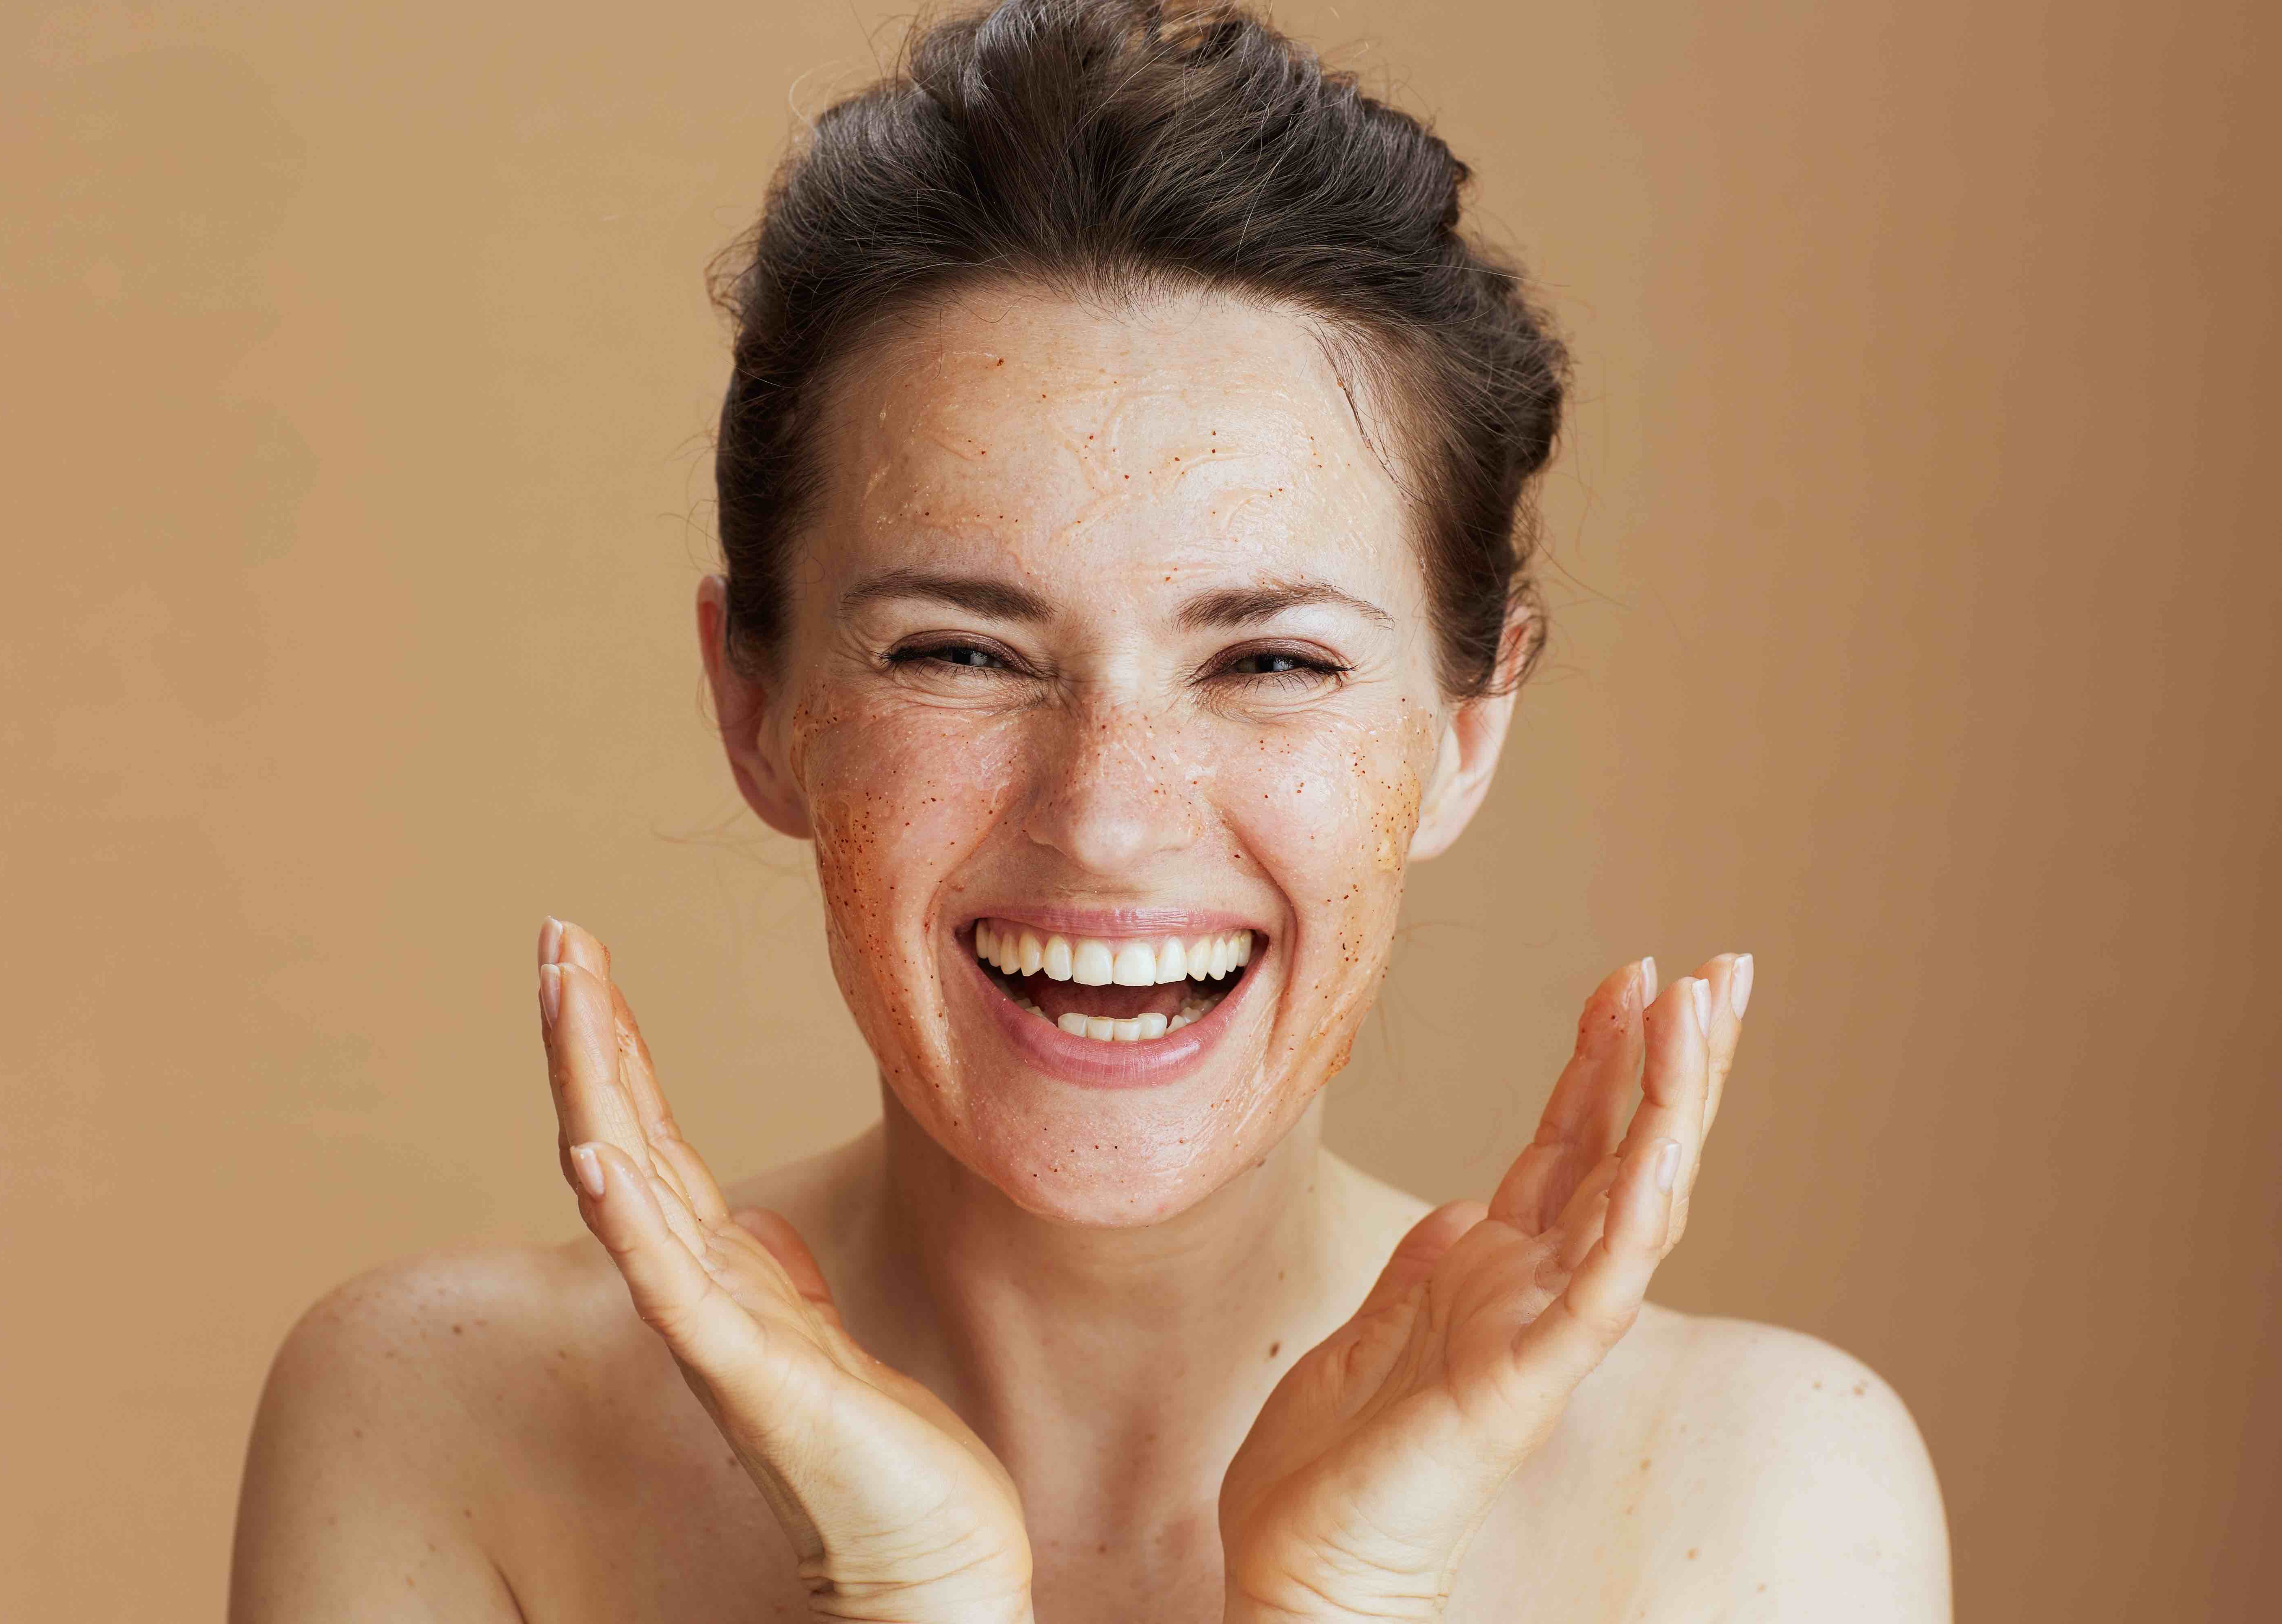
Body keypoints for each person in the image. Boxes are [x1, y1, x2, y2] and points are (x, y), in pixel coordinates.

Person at [228, 3, 1950, 1618]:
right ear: (757, 706)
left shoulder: (1754, 1488)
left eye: (1271, 661)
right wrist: (915, 1586)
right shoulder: (448, 1424)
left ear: (1465, 728)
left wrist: (1339, 1601)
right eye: (961, 651)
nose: (1109, 817)